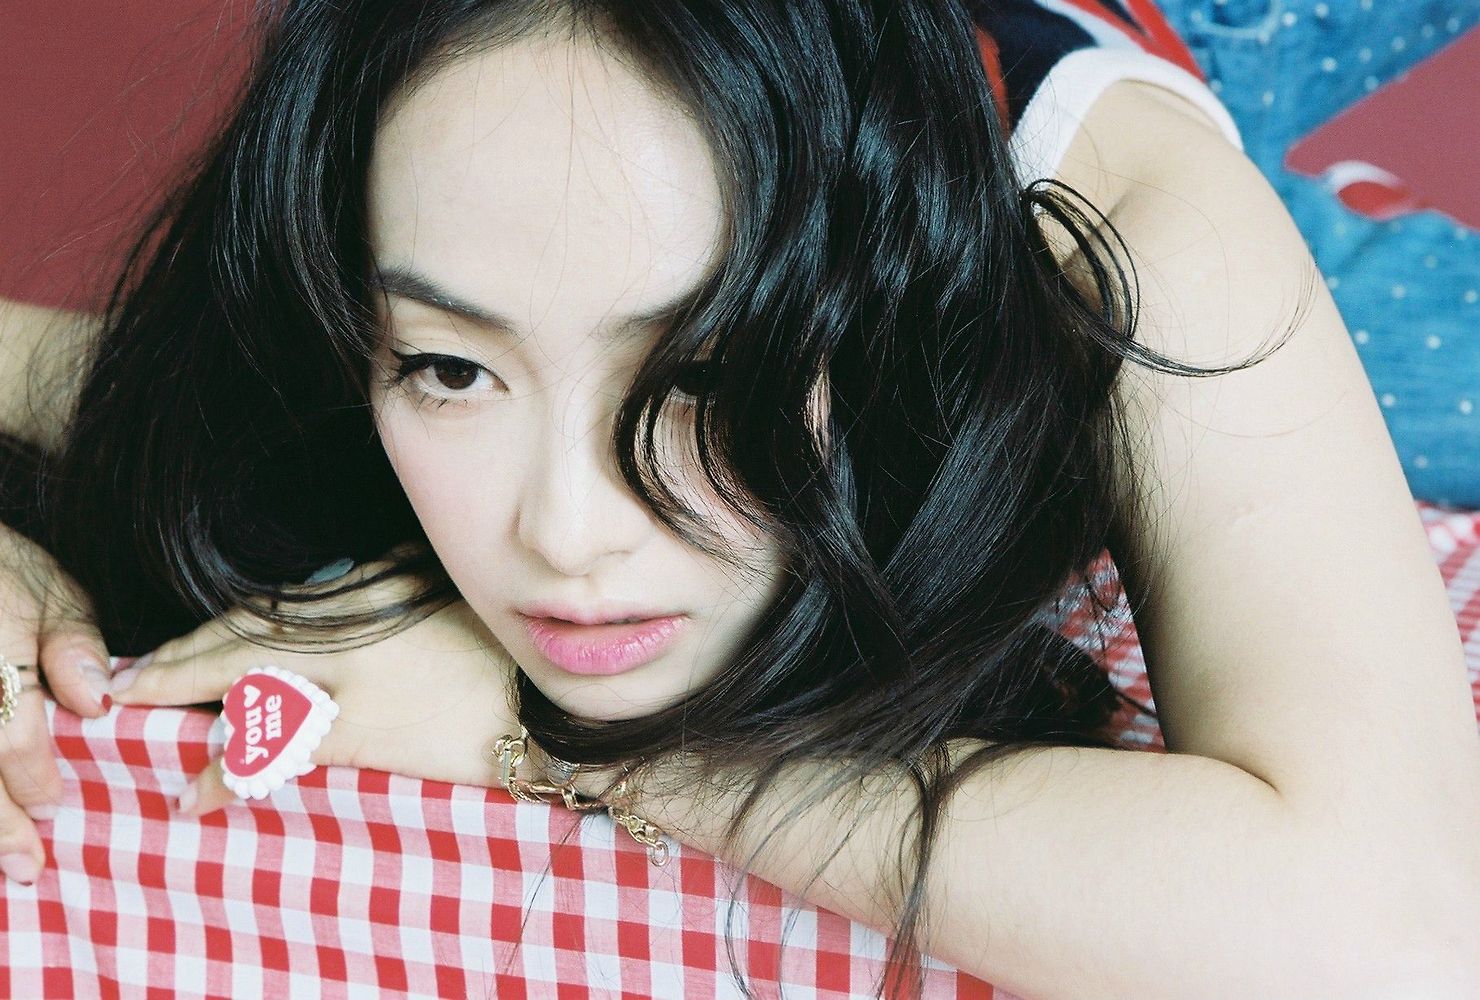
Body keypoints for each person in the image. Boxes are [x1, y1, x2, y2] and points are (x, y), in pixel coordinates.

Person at [0, 1, 1477, 997]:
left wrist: (560, 744)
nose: (566, 534)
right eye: (451, 368)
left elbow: (1390, 936)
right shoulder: (383, 251)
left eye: (706, 373)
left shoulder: (1116, 239)